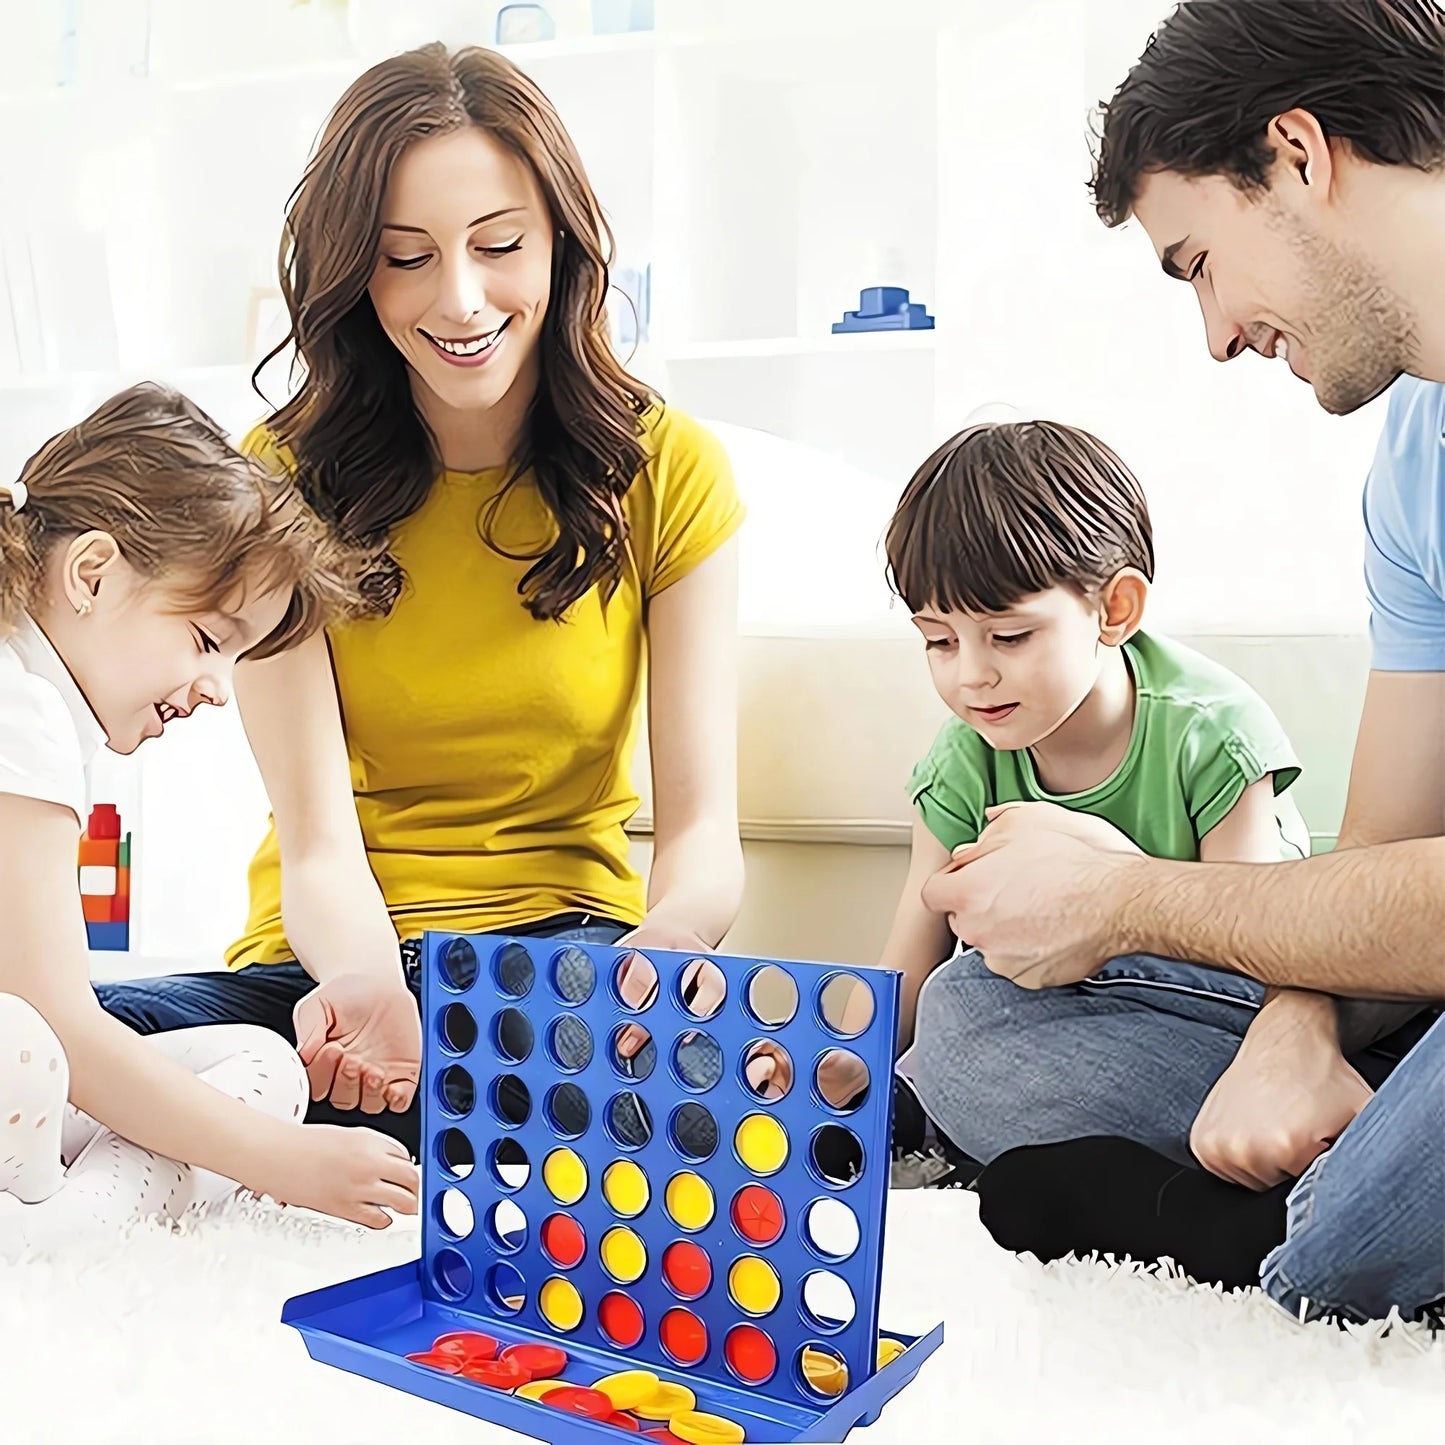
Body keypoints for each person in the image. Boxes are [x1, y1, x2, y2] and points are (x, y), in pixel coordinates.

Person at [95, 44, 745, 1161]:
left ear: (562, 243)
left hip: (559, 967)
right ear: (356, 273)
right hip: (326, 967)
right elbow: (315, 846)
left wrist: (672, 940)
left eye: (499, 246)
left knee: (670, 1101)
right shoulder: (281, 481)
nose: (459, 299)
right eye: (406, 258)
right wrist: (358, 985)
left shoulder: (666, 468)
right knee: (78, 1041)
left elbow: (698, 830)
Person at [929, 0, 1444, 1324]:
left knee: (1357, 1230)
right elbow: (1385, 857)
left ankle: (1302, 1221)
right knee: (972, 1029)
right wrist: (1292, 1029)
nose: (1215, 332)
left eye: (1198, 261)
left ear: (1295, 154)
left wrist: (1129, 901)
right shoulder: (1412, 467)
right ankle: (1358, 1157)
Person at [0, 383, 420, 1247]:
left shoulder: (41, 707)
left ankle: (51, 1219)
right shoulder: (20, 711)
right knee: (28, 1048)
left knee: (263, 1065)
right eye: (206, 639)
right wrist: (284, 1163)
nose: (218, 690)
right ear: (92, 572)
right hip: (24, 1058)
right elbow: (62, 1027)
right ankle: (41, 1239)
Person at [875, 418, 1312, 1182]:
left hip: (1233, 1017)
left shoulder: (1209, 732)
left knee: (960, 1026)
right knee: (954, 1011)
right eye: (938, 642)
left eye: (1007, 636)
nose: (969, 675)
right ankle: (1148, 1167)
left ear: (1113, 610)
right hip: (1075, 1029)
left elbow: (1261, 955)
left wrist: (1109, 876)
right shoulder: (960, 760)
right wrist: (843, 1062)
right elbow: (909, 963)